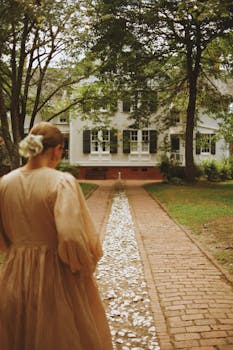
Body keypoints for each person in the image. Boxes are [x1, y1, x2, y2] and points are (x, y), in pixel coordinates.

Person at [0, 122, 113, 350]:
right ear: (57, 149)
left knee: (19, 334)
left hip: (14, 273)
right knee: (59, 335)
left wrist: (19, 252)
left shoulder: (5, 183)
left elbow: (2, 237)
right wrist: (82, 263)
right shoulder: (61, 182)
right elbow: (72, 238)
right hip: (55, 272)